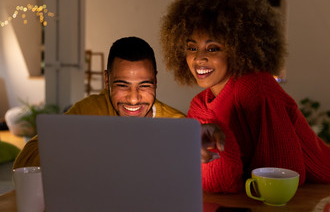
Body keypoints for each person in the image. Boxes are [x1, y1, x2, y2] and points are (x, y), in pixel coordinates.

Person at [159, 0, 330, 193]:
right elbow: (216, 184)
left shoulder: (256, 88)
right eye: (191, 48)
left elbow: (284, 173)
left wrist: (220, 138)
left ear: (239, 48)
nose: (198, 59)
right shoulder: (199, 107)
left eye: (212, 48)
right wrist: (218, 140)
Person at [13, 37, 225, 169]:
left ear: (156, 80)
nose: (133, 99)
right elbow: (24, 162)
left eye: (144, 85)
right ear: (107, 80)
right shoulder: (89, 110)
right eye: (123, 85)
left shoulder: (176, 123)